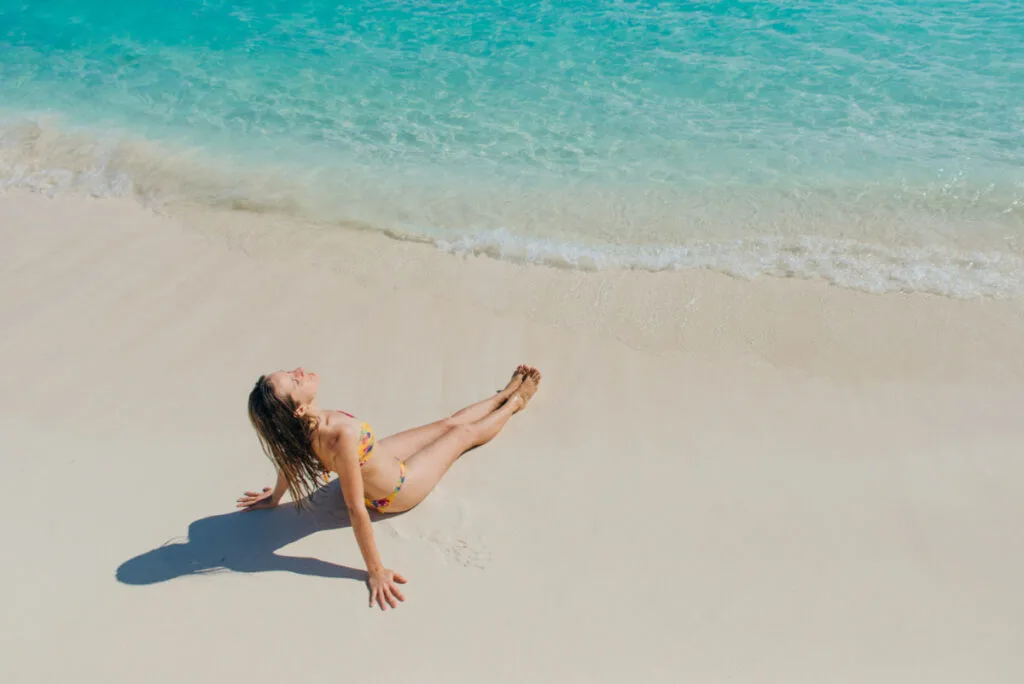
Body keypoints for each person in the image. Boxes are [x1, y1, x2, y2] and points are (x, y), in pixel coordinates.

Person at [242, 364, 541, 610]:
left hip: (377, 456)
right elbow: (355, 508)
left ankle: (503, 394)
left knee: (447, 423)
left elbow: (289, 460)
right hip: (397, 488)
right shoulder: (340, 435)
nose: (299, 371)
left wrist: (276, 496)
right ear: (297, 410)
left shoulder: (301, 429)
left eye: (290, 371)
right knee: (463, 434)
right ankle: (516, 402)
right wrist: (376, 571)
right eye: (294, 381)